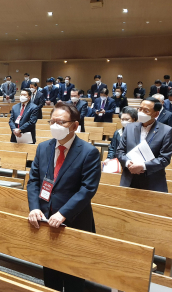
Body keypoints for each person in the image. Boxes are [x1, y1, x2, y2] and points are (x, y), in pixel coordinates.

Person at [26, 102, 101, 292]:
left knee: (74, 277)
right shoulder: (43, 148)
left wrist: (63, 213)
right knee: (50, 275)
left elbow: (87, 189)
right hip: (45, 219)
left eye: (61, 122)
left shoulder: (88, 152)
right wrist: (34, 207)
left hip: (73, 220)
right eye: (52, 121)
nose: (55, 126)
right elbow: (34, 181)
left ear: (75, 126)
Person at [116, 97, 172, 192]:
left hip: (152, 181)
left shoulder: (166, 131)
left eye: (146, 110)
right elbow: (120, 151)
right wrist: (128, 163)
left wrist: (143, 166)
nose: (141, 112)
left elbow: (165, 159)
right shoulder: (129, 127)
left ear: (156, 114)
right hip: (129, 179)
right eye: (140, 109)